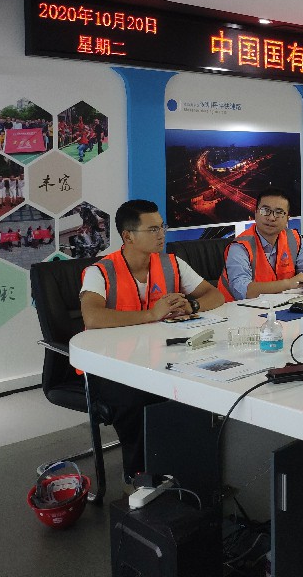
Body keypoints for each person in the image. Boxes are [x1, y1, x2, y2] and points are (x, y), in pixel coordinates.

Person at [80, 199, 225, 480]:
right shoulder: (101, 271)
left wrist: (192, 306)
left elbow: (215, 295)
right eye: (153, 229)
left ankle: (190, 473)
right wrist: (151, 314)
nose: (161, 235)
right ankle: (138, 480)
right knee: (138, 399)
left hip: (162, 356)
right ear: (128, 236)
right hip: (112, 367)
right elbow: (92, 317)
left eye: (162, 227)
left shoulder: (172, 263)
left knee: (203, 384)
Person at [218, 188, 303, 300]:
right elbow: (241, 291)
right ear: (256, 213)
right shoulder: (240, 246)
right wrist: (288, 284)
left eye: (279, 213)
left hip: (279, 305)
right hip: (237, 308)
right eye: (265, 210)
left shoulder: (294, 238)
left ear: (287, 218)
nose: (271, 218)